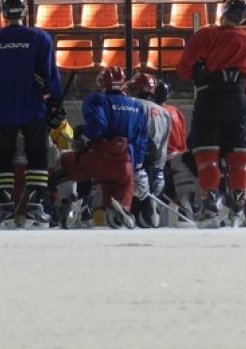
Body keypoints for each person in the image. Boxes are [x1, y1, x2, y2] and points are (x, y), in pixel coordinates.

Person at [0, 0, 64, 228]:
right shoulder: (40, 37)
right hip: (32, 104)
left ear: (4, 13)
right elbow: (50, 73)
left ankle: (3, 201)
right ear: (24, 11)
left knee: (2, 154)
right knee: (37, 152)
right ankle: (37, 199)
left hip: (3, 106)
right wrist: (55, 99)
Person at [176, 0, 246, 228]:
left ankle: (211, 203)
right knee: (238, 150)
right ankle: (238, 205)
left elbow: (184, 68)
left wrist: (198, 71)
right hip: (238, 98)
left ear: (223, 12)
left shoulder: (206, 35)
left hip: (210, 96)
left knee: (207, 150)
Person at [57, 66, 149, 229]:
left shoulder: (97, 99)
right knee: (122, 183)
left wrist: (84, 138)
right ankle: (122, 207)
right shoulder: (138, 107)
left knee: (66, 162)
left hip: (98, 158)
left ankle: (78, 201)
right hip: (125, 164)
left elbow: (98, 124)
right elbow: (141, 141)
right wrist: (138, 166)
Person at [125, 72, 172, 228]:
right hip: (152, 162)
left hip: (133, 157)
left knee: (133, 195)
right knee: (148, 195)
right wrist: (160, 170)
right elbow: (163, 145)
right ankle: (148, 213)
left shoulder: (131, 104)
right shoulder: (164, 113)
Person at [153, 80, 199, 219]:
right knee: (184, 192)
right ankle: (188, 210)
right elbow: (183, 134)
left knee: (164, 192)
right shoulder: (176, 111)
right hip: (180, 156)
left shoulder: (156, 112)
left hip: (165, 159)